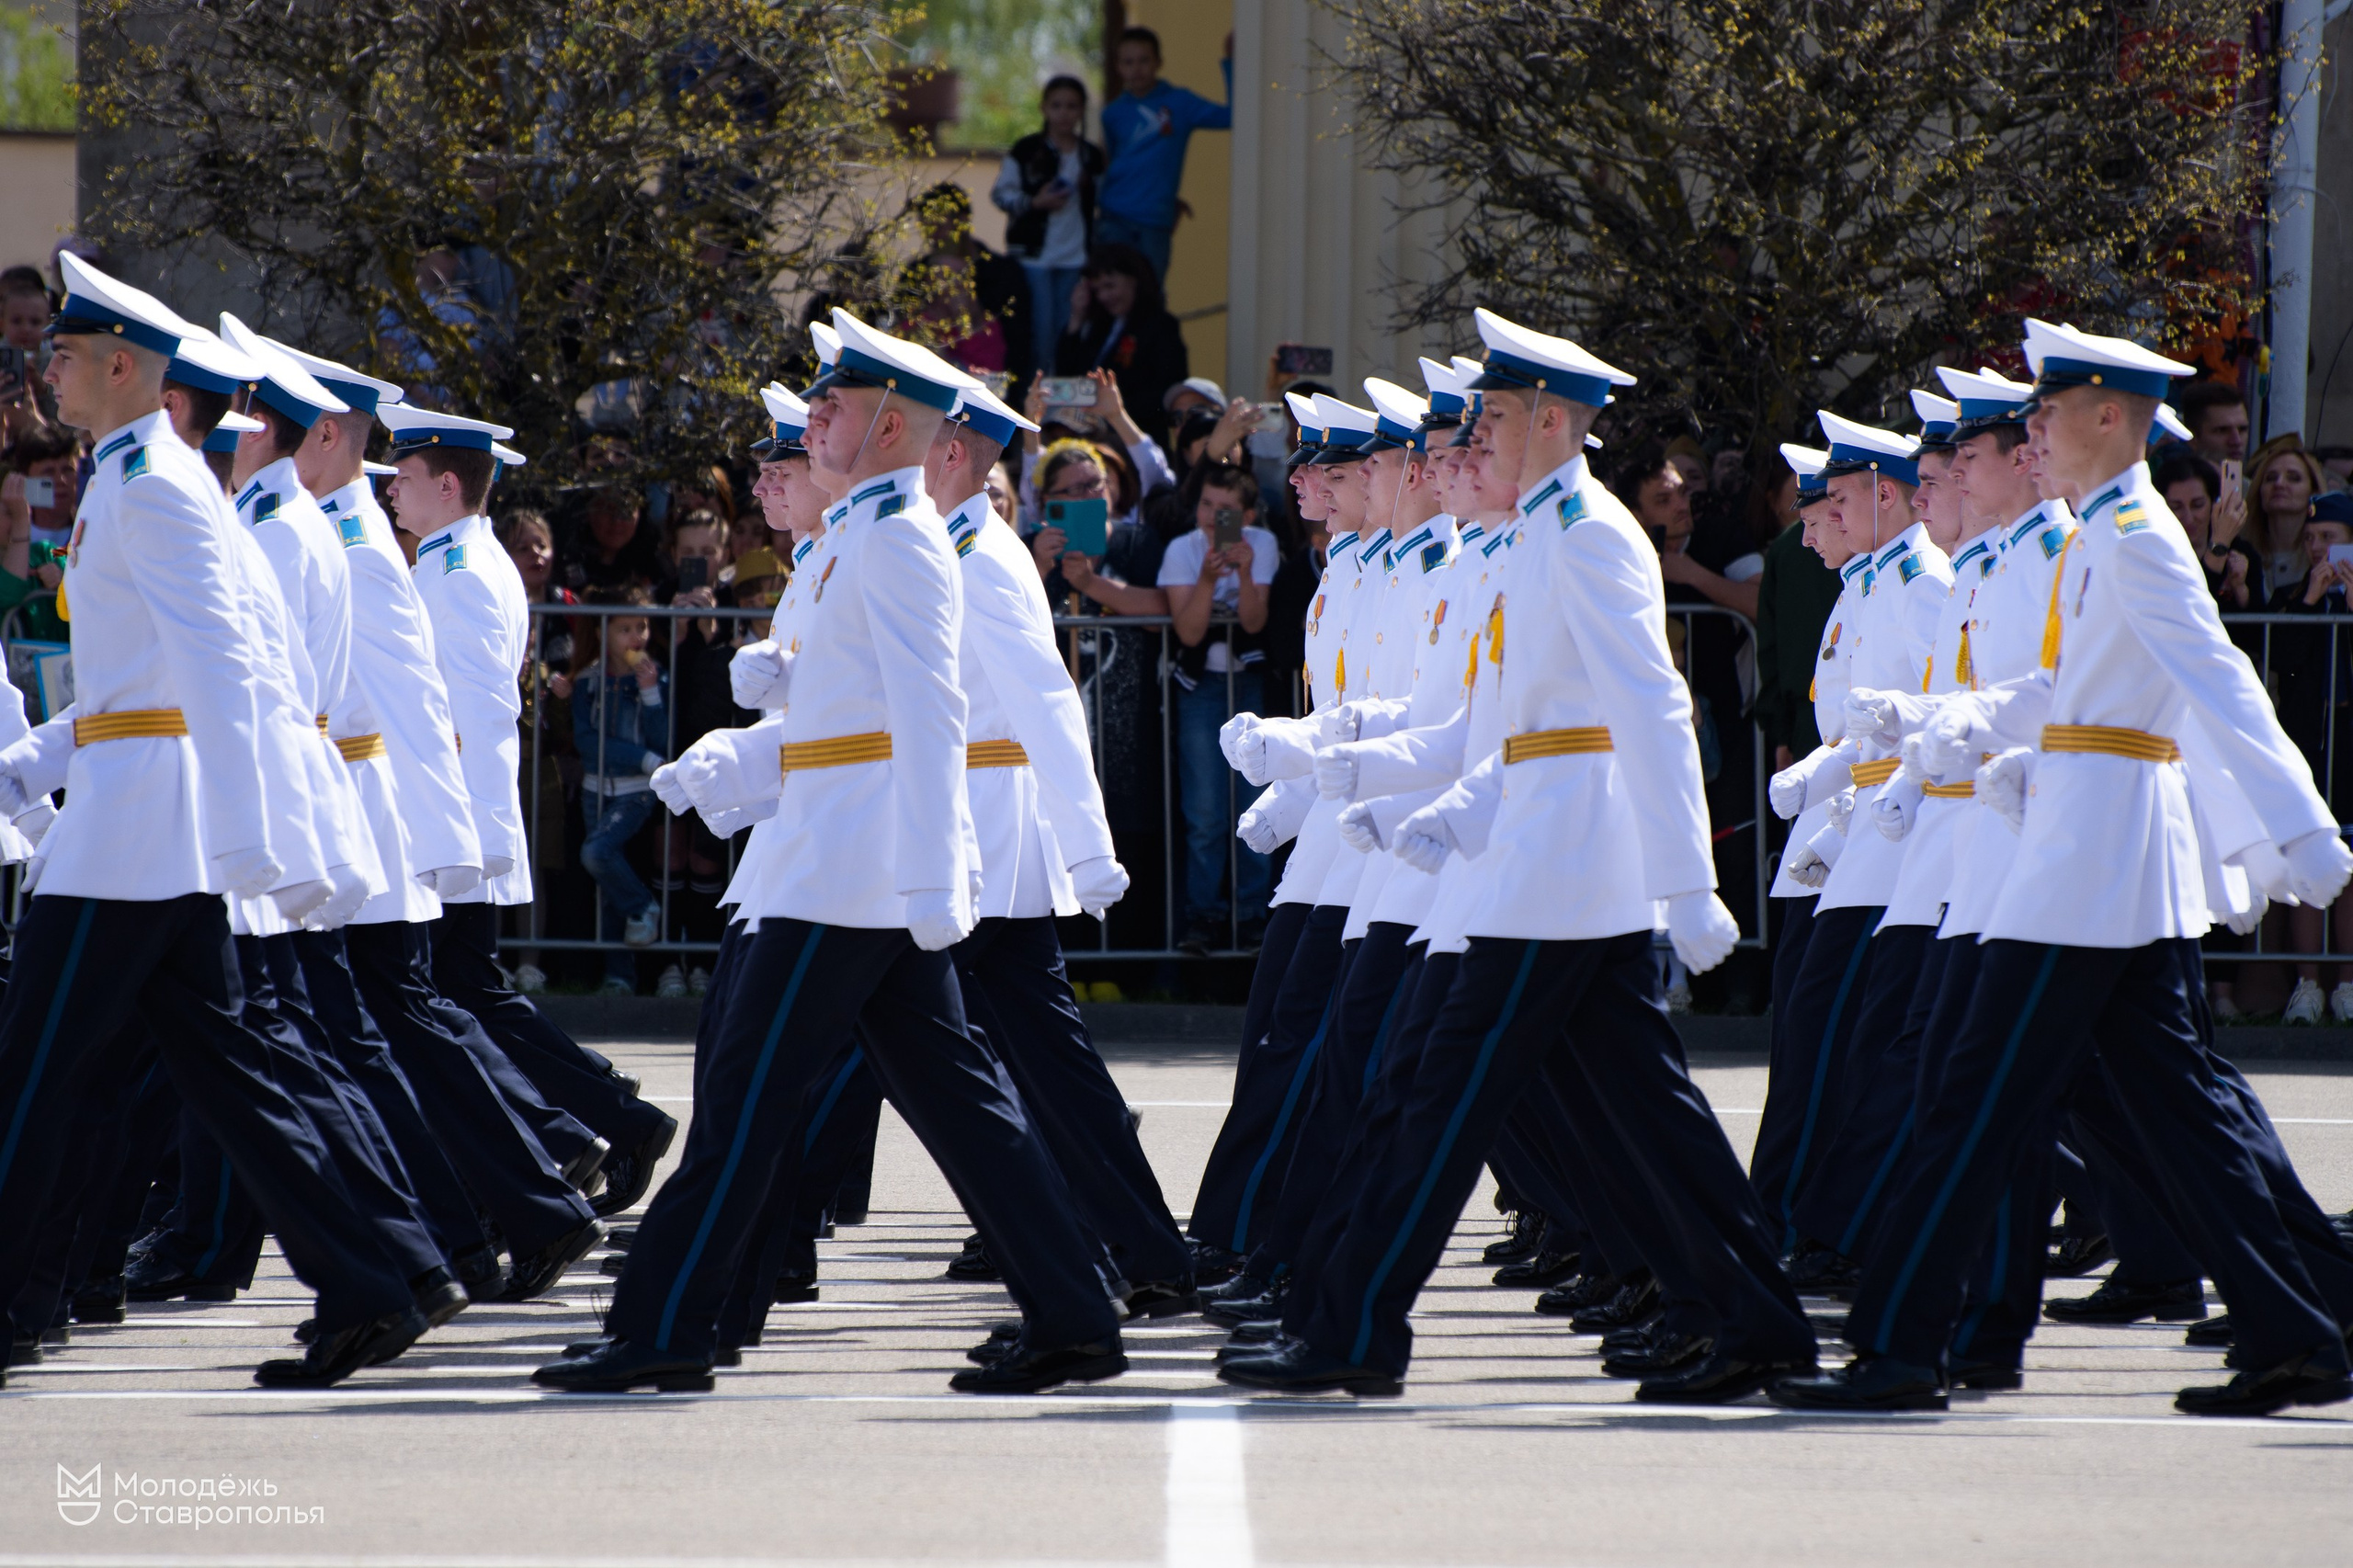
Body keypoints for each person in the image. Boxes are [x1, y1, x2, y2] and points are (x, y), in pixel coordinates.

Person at [536, 309, 1127, 1396]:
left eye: (833, 405)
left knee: (747, 1099)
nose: (811, 420)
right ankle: (1076, 1309)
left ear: (893, 424)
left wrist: (935, 873)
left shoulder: (898, 538)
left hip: (851, 873)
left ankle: (664, 1323)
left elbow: (931, 712)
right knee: (960, 1104)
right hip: (837, 857)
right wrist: (748, 762)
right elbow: (844, 723)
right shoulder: (860, 531)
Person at [1773, 318, 2353, 1418]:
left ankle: (1901, 1347)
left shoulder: (2130, 534)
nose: (2031, 428)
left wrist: (2302, 826)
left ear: (2103, 417)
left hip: (2087, 859)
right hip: (2088, 854)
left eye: (2046, 411)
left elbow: (2217, 678)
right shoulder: (2102, 532)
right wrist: (1947, 717)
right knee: (2174, 1115)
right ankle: (2294, 1333)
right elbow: (2059, 691)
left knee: (1967, 1100)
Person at [1222, 309, 1801, 1403]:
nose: (1471, 439)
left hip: (1562, 862)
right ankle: (1746, 1319)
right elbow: (1453, 731)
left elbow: (1654, 708)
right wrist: (1324, 772)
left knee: (1427, 1097)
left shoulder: (1587, 533)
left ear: (1550, 419)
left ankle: (1351, 1323)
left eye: (1489, 418)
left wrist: (1687, 881)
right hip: (1522, 860)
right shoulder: (1529, 535)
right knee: (1643, 1118)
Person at [0, 254, 458, 1390]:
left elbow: (227, 662)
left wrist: (262, 834)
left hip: (137, 834)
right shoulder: (133, 473)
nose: (44, 367)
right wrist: (26, 767)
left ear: (121, 366)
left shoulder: (151, 482)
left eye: (62, 352)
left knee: (33, 1070)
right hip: (143, 813)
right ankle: (372, 1282)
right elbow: (137, 683)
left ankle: (12, 1303)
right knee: (236, 1078)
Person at [1159, 460, 1279, 951]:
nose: (1212, 516)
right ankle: (1202, 917)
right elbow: (1188, 631)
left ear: (1246, 515)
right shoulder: (1180, 550)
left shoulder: (1263, 545)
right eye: (1206, 504)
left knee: (1255, 804)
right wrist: (1208, 581)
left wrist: (1246, 573)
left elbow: (1253, 623)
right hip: (1200, 689)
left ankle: (1253, 914)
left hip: (1248, 686)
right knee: (1205, 813)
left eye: (1225, 509)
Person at [2262, 491, 2353, 1025]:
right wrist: (2311, 601)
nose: (2318, 548)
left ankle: (2345, 982)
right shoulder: (2293, 596)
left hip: (2348, 743)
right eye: (2312, 539)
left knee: (2350, 858)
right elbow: (2284, 665)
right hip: (2310, 743)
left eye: (2331, 538)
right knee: (2308, 855)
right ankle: (2307, 983)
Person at [569, 584, 671, 983]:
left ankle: (645, 907)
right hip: (596, 789)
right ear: (603, 633)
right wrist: (643, 758)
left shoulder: (652, 677)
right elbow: (586, 741)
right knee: (608, 877)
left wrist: (650, 695)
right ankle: (618, 975)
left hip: (636, 793)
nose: (636, 638)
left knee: (597, 854)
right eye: (625, 629)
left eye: (642, 627)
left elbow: (661, 739)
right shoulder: (587, 681)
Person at [992, 75, 1104, 375]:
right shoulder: (1026, 150)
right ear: (1044, 108)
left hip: (1075, 256)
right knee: (1040, 332)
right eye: (1057, 106)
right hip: (1033, 256)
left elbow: (1107, 199)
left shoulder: (1090, 156)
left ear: (1082, 111)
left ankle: (1061, 402)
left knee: (1068, 329)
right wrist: (1034, 202)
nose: (1064, 113)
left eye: (1072, 106)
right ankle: (1036, 402)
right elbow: (1001, 194)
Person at [1053, 245, 1189, 444]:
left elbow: (1167, 389)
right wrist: (1076, 320)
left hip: (1136, 438)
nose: (1103, 297)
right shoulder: (1100, 328)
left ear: (1134, 280)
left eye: (1110, 286)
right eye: (1097, 289)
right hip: (1091, 437)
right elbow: (1068, 378)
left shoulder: (1160, 326)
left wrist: (1112, 408)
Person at [2154, 449, 2259, 609]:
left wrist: (2240, 589)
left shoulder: (2241, 552)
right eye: (2176, 507)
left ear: (2213, 503)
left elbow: (2259, 627)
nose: (2188, 517)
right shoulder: (2155, 555)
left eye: (2198, 505)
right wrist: (2220, 543)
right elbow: (2192, 605)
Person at [2244, 435, 2332, 594]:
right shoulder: (2243, 552)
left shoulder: (2327, 554)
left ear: (2313, 492)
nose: (2279, 484)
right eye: (2271, 478)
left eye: (2293, 478)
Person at [2177, 380, 2250, 467]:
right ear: (2192, 439)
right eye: (2222, 430)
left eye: (2242, 429)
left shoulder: (2257, 480)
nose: (2237, 441)